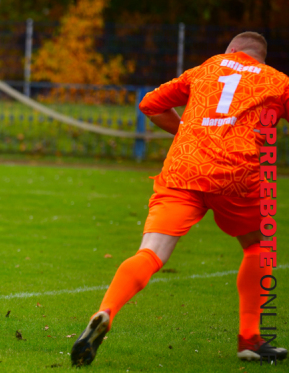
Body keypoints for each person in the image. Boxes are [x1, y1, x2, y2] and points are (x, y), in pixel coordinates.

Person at [71, 31, 289, 366]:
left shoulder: (206, 67)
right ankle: (249, 339)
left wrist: (189, 130)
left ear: (230, 50)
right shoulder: (276, 80)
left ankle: (106, 311)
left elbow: (150, 104)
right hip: (236, 174)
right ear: (261, 58)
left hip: (184, 167)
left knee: (151, 252)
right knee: (257, 246)